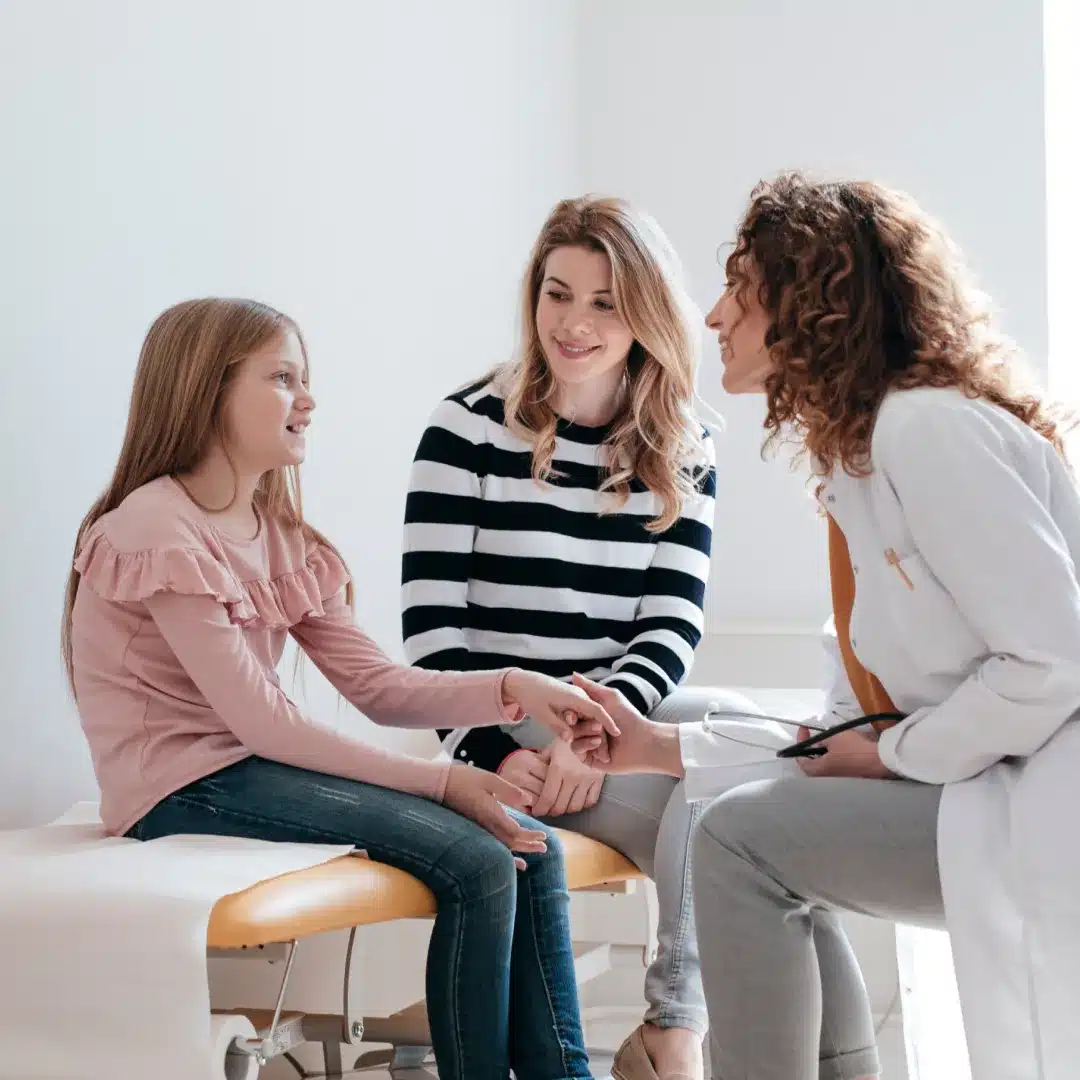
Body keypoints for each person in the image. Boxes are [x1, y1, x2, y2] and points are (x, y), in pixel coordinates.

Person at [573, 172, 1080, 1080]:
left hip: (1044, 808)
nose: (714, 315)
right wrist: (657, 748)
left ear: (810, 305)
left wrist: (887, 755)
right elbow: (847, 735)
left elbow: (1053, 662)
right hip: (987, 791)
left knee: (737, 841)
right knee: (751, 830)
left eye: (742, 288)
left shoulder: (926, 434)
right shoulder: (859, 464)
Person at [62, 297, 621, 1080]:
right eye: (283, 378)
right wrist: (446, 780)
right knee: (481, 860)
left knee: (533, 847)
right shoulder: (156, 527)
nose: (309, 400)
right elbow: (265, 725)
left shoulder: (280, 534)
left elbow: (380, 688)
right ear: (207, 391)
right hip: (175, 788)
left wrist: (515, 688)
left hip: (246, 771)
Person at [401, 195, 769, 1080]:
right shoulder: (466, 431)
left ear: (644, 311)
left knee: (748, 744)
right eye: (557, 293)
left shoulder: (687, 441)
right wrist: (490, 748)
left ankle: (672, 1025)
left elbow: (672, 621)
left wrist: (609, 728)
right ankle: (674, 1042)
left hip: (616, 715)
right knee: (723, 804)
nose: (573, 323)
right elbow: (432, 633)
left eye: (604, 302)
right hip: (511, 711)